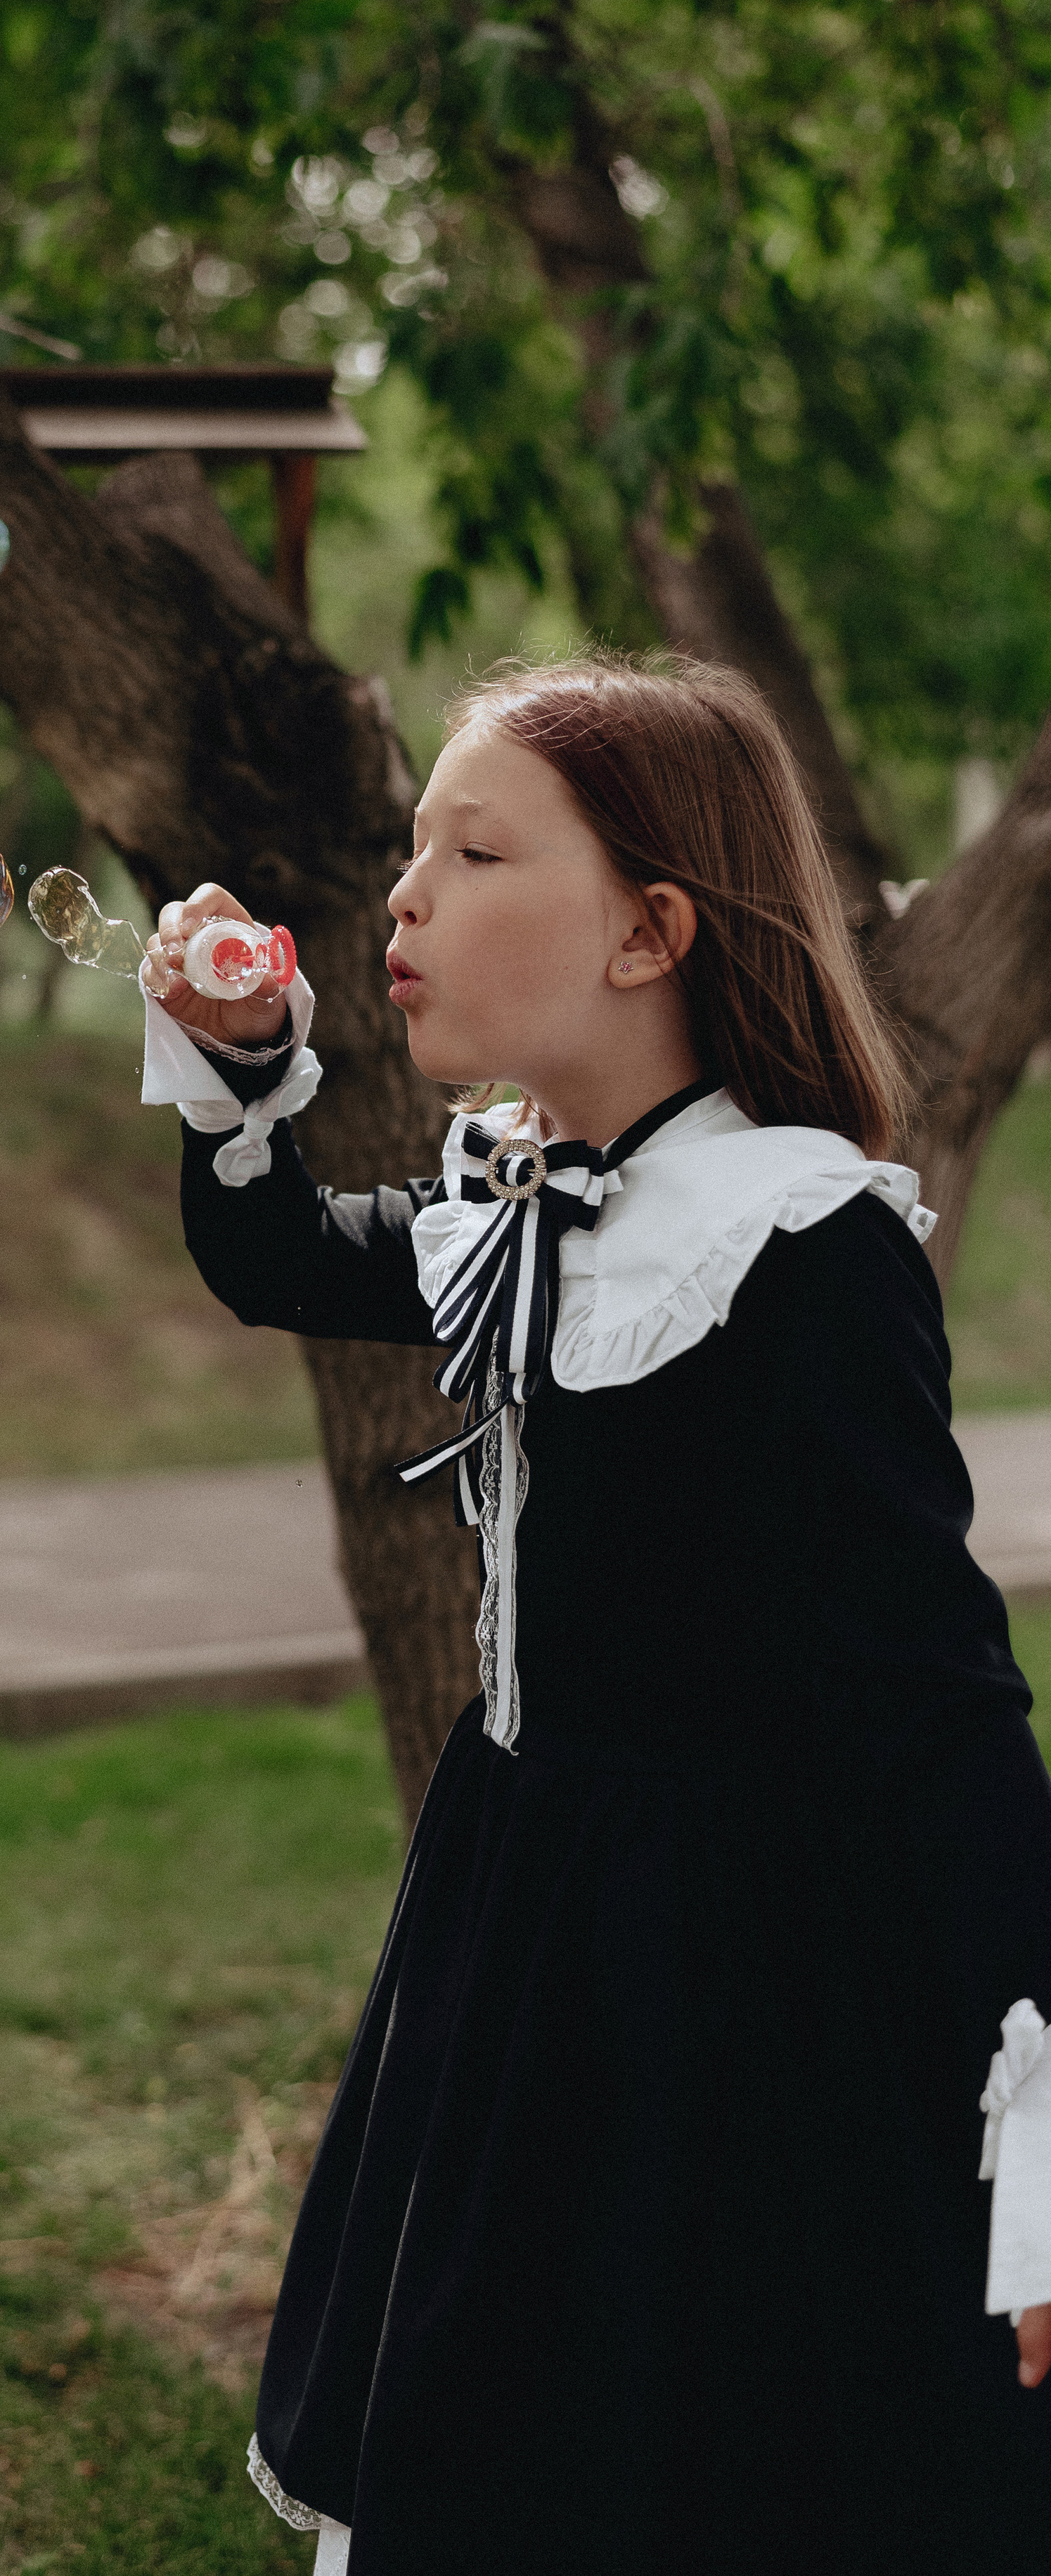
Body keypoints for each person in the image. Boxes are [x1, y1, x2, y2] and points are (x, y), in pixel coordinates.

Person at [138, 655, 1051, 2574]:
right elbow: (278, 1247)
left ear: (651, 928)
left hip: (732, 1970)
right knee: (500, 2396)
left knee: (688, 2425)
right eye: (409, 851)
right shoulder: (530, 1201)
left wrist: (1039, 2118)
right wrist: (238, 1071)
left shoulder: (792, 1245)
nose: (405, 898)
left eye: (473, 851)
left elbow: (942, 1706)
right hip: (527, 1904)